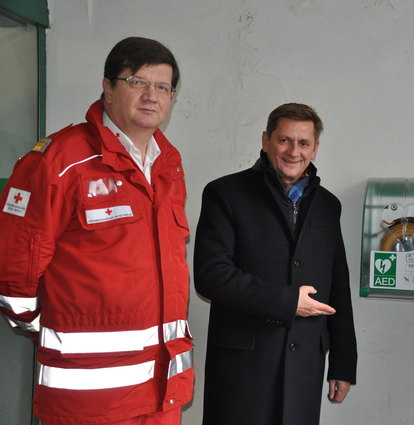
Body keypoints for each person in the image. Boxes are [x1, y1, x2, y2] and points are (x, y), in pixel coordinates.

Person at [0, 37, 193, 425]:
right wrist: (51, 326)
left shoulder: (168, 163)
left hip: (162, 392)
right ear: (107, 87)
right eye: (137, 82)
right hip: (90, 400)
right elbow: (15, 269)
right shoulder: (60, 160)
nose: (151, 95)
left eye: (162, 87)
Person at [194, 103, 357, 425]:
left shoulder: (328, 205)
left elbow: (337, 284)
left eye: (303, 143)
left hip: (306, 365)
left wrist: (343, 363)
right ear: (266, 140)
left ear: (315, 148)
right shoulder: (224, 193)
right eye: (284, 140)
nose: (293, 151)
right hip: (242, 367)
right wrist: (286, 301)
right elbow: (211, 276)